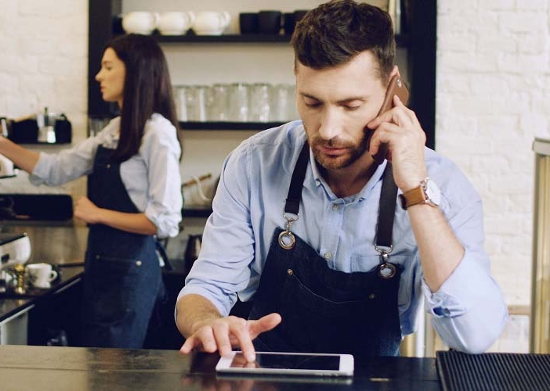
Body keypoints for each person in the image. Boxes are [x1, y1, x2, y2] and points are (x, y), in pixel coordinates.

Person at [176, 0, 507, 361]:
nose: (328, 130)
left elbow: (474, 335)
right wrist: (206, 321)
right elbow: (206, 287)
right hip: (265, 377)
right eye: (312, 102)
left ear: (392, 91)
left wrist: (416, 192)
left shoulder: (441, 183)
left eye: (351, 105)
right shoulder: (254, 163)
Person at [0, 34, 182, 349]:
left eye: (107, 67)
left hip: (131, 272)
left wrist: (97, 214)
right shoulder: (115, 130)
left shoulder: (158, 134)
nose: (98, 76)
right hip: (103, 266)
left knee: (115, 377)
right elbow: (56, 169)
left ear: (135, 72)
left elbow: (164, 221)